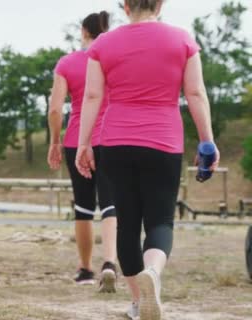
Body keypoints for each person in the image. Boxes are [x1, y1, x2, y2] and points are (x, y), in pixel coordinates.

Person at [76, 1, 218, 319]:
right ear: (161, 3)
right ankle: (152, 273)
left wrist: (84, 143)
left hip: (115, 143)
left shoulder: (103, 43)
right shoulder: (182, 40)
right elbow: (195, 93)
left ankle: (139, 302)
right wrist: (207, 140)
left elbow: (93, 96)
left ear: (125, 6)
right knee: (160, 221)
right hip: (164, 143)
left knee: (127, 224)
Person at [47, 11, 118, 292]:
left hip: (77, 140)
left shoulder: (67, 63)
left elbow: (55, 109)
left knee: (84, 207)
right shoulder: (114, 60)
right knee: (111, 203)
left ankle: (86, 270)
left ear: (83, 31)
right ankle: (110, 263)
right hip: (112, 139)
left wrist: (54, 141)